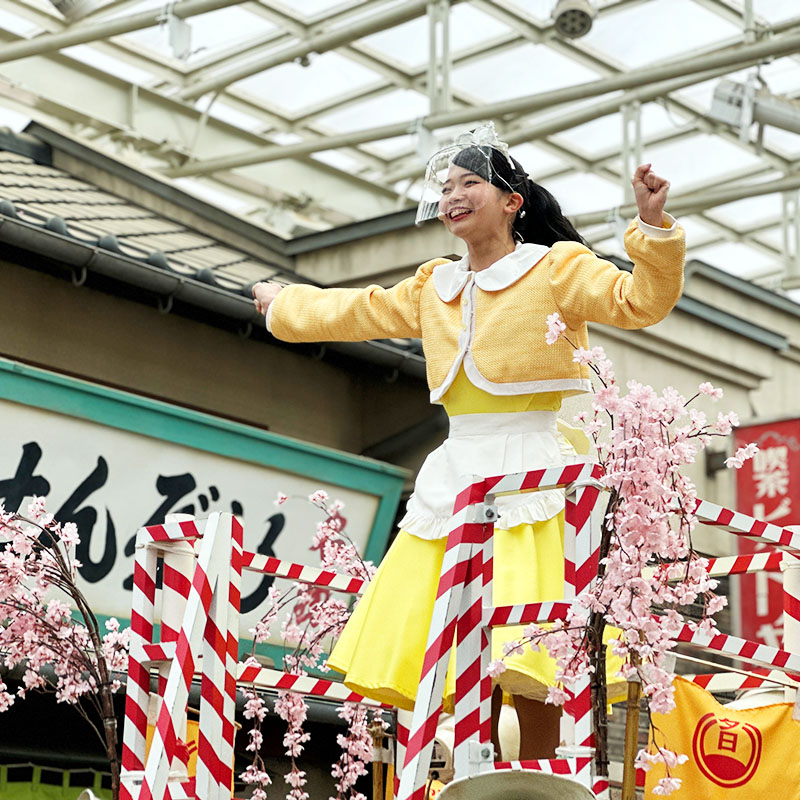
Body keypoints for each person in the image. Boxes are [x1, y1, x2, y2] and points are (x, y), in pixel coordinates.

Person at [251, 125, 685, 760]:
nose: (453, 195)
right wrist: (283, 306)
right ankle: (474, 777)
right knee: (448, 645)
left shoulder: (556, 268)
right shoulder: (435, 286)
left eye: (470, 183)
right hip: (455, 475)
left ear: (512, 201)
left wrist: (652, 227)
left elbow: (639, 300)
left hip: (534, 471)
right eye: (446, 186)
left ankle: (537, 782)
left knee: (533, 651)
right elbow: (358, 310)